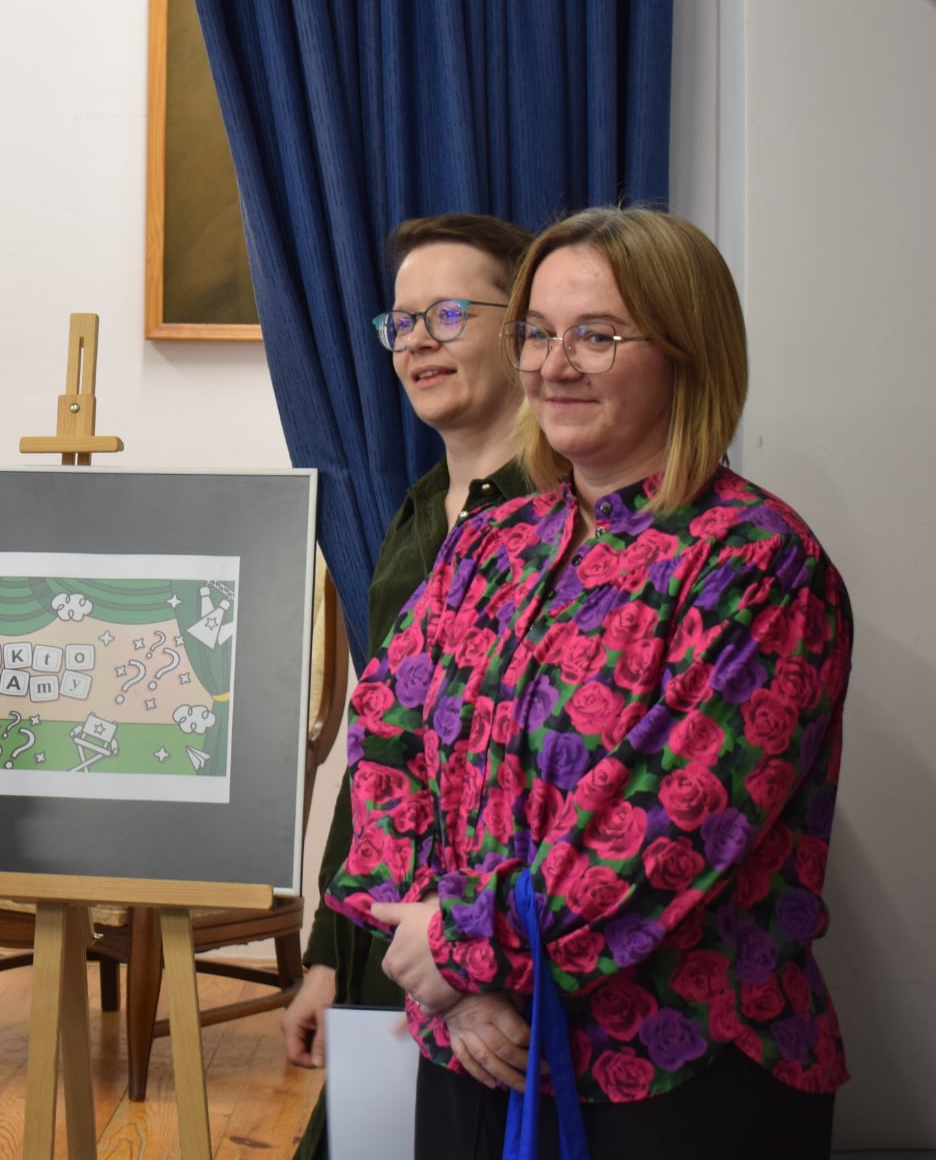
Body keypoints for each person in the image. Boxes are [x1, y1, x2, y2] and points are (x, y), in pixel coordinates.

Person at [328, 207, 851, 1157]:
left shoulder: (759, 565)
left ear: (687, 352)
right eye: (537, 333)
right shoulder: (489, 546)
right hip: (473, 1051)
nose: (553, 365)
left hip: (676, 1080)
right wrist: (444, 970)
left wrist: (461, 947)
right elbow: (383, 745)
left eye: (597, 335)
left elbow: (669, 832)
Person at [282, 213, 534, 1158]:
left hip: (501, 957)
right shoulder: (417, 513)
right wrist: (329, 956)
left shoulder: (568, 516)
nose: (418, 341)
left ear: (524, 330)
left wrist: (477, 958)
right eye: (402, 322)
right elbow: (380, 755)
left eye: (449, 314)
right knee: (364, 1144)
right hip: (389, 940)